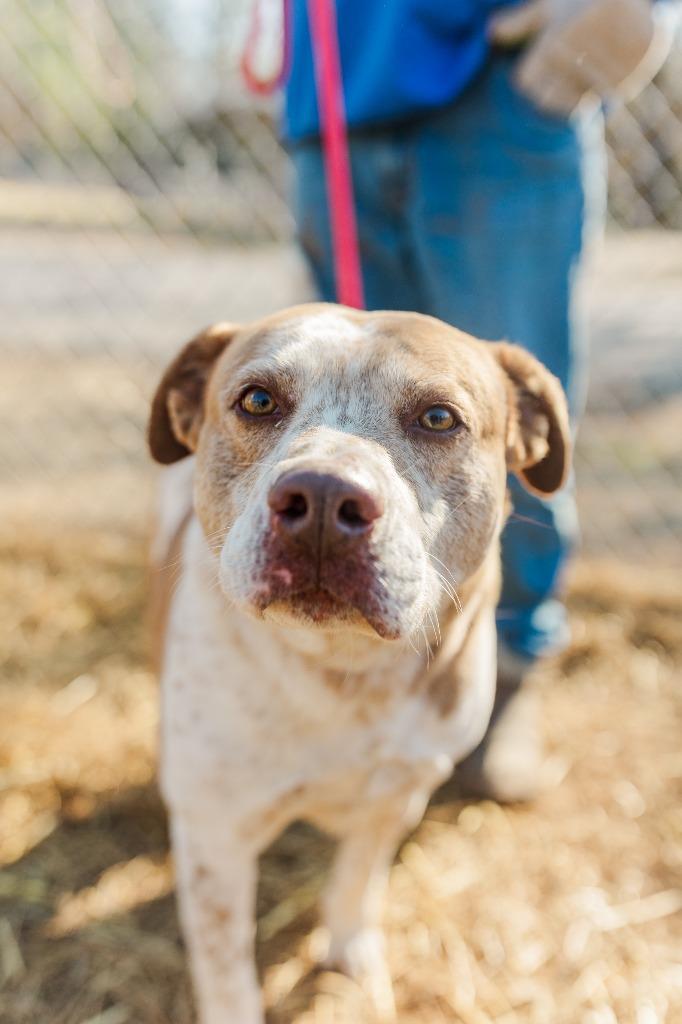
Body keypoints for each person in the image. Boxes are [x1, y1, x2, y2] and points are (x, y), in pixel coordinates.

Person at [283, 0, 672, 801]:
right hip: (334, 99)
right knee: (349, 427)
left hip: (498, 95)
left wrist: (612, 18)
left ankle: (506, 671)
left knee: (501, 429)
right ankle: (376, 682)